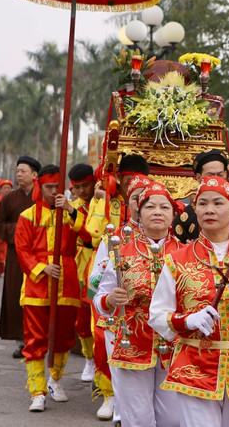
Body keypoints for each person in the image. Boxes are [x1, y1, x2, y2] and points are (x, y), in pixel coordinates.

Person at [149, 175, 229, 427]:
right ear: (195, 209)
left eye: (218, 203)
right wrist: (187, 320)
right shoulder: (177, 260)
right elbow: (157, 315)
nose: (209, 209)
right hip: (194, 367)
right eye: (202, 203)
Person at [95, 181, 182, 427]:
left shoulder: (187, 253)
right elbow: (100, 296)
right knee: (137, 418)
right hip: (131, 341)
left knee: (173, 419)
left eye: (164, 207)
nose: (157, 212)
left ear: (173, 215)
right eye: (150, 206)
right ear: (138, 213)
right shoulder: (121, 251)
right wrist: (110, 299)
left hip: (175, 346)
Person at [15, 164, 82, 412]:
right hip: (36, 286)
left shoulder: (71, 212)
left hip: (68, 282)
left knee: (64, 338)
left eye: (57, 186)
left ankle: (55, 381)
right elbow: (22, 250)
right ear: (39, 187)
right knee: (35, 339)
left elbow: (88, 236)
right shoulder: (28, 216)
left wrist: (71, 211)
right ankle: (37, 391)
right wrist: (42, 268)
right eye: (49, 187)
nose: (54, 191)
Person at [87, 171, 152, 422]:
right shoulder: (113, 238)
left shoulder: (169, 239)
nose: (141, 203)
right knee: (124, 385)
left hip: (154, 325)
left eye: (146, 198)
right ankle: (112, 401)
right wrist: (105, 273)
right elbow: (94, 286)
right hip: (122, 321)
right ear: (128, 201)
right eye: (136, 198)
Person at [0, 156, 39, 358]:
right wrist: (21, 230)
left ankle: (39, 339)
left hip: (40, 255)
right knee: (15, 296)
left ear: (35, 175)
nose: (19, 174)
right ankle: (21, 342)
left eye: (23, 171)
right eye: (17, 171)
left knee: (39, 298)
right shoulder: (10, 198)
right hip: (17, 256)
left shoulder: (44, 197)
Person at [66, 163, 100, 383]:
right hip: (79, 266)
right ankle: (90, 359)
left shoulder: (103, 203)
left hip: (100, 261)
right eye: (76, 187)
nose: (81, 191)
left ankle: (102, 360)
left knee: (100, 318)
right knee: (82, 319)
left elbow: (91, 235)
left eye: (85, 185)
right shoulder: (72, 206)